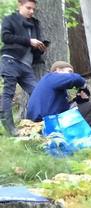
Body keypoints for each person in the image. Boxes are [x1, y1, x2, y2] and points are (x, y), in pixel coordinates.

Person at [1, 0, 46, 135]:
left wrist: (40, 48)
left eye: (33, 9)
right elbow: (5, 37)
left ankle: (38, 124)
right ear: (19, 5)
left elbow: (32, 45)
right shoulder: (10, 19)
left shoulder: (34, 24)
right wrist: (29, 41)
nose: (31, 11)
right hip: (11, 60)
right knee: (8, 93)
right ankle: (11, 129)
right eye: (28, 8)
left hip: (27, 66)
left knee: (38, 92)